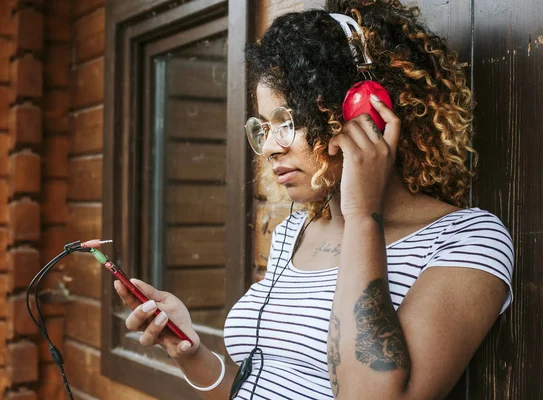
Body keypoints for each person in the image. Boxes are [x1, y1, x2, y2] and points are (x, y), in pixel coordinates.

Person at [114, 1, 514, 399]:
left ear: (364, 115)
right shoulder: (295, 231)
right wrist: (189, 351)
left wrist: (361, 216)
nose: (269, 147)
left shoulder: (466, 240)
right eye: (264, 128)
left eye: (287, 122)